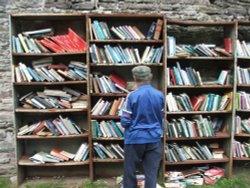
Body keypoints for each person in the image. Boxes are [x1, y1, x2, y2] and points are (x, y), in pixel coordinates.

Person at [120, 65, 164, 188]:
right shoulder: (160, 95)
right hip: (154, 138)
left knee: (130, 170)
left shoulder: (132, 96)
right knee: (151, 172)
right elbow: (161, 116)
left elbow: (125, 121)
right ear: (150, 77)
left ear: (134, 78)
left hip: (135, 138)